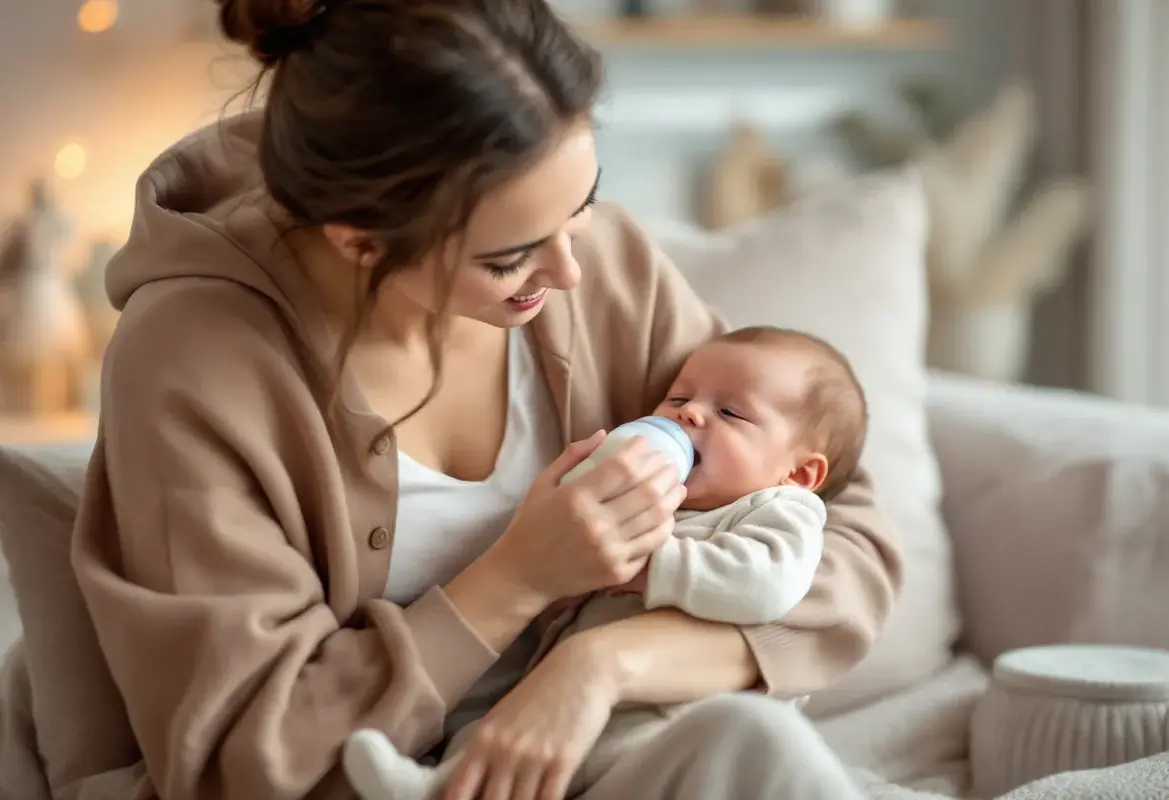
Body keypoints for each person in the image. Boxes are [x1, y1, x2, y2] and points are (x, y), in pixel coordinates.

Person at [70, 1, 903, 798]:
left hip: (608, 754)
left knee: (752, 748)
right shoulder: (196, 363)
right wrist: (514, 579)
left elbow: (847, 529)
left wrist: (599, 669)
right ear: (360, 239)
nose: (571, 274)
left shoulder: (606, 269)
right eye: (508, 258)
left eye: (581, 206)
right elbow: (242, 760)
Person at [344, 325, 870, 800]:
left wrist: (652, 565)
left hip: (671, 717)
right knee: (499, 727)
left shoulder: (780, 509)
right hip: (573, 714)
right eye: (679, 397)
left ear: (799, 474)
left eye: (730, 413)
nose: (689, 413)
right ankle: (439, 782)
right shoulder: (660, 500)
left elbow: (767, 584)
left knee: (736, 738)